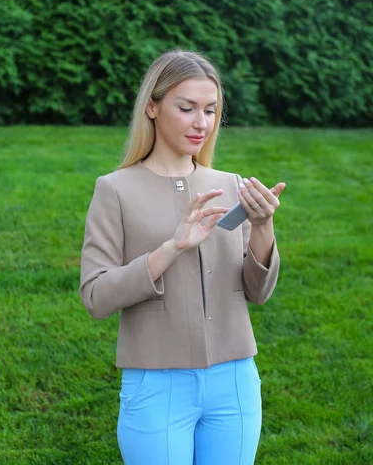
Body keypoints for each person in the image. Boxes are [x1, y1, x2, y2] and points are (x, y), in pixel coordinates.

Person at [79, 50, 286, 465]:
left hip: (236, 381)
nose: (202, 123)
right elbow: (95, 296)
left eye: (211, 110)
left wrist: (263, 227)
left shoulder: (230, 185)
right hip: (156, 385)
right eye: (187, 108)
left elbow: (257, 293)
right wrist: (172, 247)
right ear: (152, 108)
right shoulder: (115, 190)